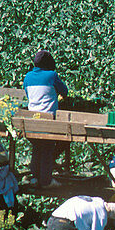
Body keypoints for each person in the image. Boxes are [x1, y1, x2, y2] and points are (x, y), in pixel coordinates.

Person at [23, 50, 68, 187]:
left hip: (32, 121)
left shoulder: (28, 77)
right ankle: (46, 181)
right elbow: (64, 91)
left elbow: (28, 95)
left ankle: (35, 177)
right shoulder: (52, 75)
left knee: (37, 147)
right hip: (48, 120)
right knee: (47, 149)